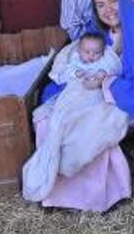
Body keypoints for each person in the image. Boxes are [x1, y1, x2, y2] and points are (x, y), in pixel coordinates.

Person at [27, 0, 134, 212]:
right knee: (50, 117)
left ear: (123, 1)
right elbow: (89, 58)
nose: (108, 10)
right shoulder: (105, 35)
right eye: (101, 5)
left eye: (114, 1)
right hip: (108, 90)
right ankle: (55, 193)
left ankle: (92, 197)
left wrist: (105, 82)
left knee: (87, 127)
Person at [22, 32, 123, 202]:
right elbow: (65, 73)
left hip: (93, 95)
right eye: (87, 52)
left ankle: (67, 158)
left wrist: (101, 76)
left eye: (96, 52)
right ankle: (50, 157)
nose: (91, 56)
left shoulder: (105, 60)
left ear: (102, 52)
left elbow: (113, 69)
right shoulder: (74, 59)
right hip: (73, 92)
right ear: (79, 49)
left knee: (87, 116)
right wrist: (78, 75)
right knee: (60, 118)